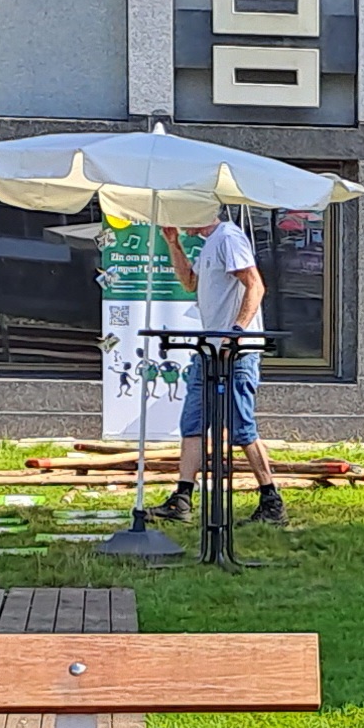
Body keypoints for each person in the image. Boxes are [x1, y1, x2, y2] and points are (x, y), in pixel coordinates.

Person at [153, 212, 285, 527]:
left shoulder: (228, 237)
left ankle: (271, 500)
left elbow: (255, 285)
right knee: (193, 423)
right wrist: (173, 243)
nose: (180, 215)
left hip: (237, 352)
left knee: (241, 427)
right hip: (208, 351)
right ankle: (182, 498)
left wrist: (236, 332)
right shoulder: (209, 243)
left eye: (185, 209)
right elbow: (190, 283)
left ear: (202, 210)